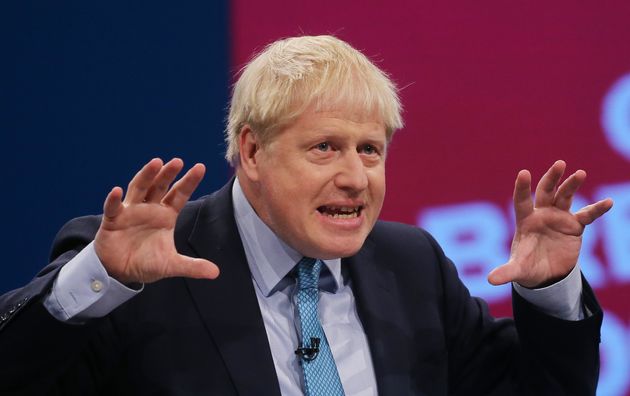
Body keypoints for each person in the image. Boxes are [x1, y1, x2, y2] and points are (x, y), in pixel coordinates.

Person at [0, 35, 613, 396]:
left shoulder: (412, 264)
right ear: (252, 151)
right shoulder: (141, 268)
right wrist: (101, 282)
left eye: (370, 150)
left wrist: (549, 292)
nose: (355, 176)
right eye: (325, 147)